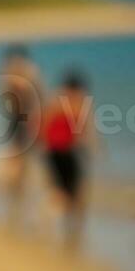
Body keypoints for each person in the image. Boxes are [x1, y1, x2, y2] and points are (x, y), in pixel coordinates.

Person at [40, 68, 98, 251]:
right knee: (74, 195)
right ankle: (72, 235)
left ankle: (48, 226)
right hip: (67, 152)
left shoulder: (54, 100)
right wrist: (93, 149)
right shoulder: (78, 103)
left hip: (51, 152)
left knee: (58, 191)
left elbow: (43, 125)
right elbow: (84, 132)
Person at [0, 44, 44, 230]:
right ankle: (15, 204)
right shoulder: (13, 76)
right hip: (18, 123)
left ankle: (18, 205)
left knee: (23, 167)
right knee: (17, 165)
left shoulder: (27, 75)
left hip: (25, 123)